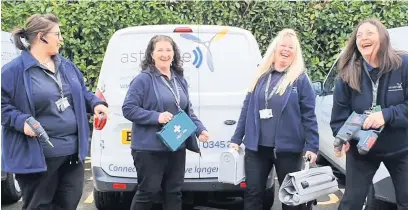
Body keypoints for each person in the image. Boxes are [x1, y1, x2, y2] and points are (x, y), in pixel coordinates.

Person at [1, 14, 109, 210]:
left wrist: (96, 104)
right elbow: (2, 106)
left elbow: (82, 92)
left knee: (68, 204)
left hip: (72, 155)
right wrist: (20, 121)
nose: (61, 39)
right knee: (39, 206)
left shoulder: (66, 65)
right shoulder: (13, 71)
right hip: (38, 158)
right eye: (57, 34)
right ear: (41, 36)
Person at [230, 28, 319, 210]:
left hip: (289, 149)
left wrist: (312, 146)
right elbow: (246, 108)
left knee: (291, 199)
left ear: (296, 53)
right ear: (275, 48)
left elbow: (309, 115)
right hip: (257, 149)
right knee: (253, 194)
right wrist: (236, 139)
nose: (286, 50)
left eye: (291, 47)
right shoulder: (261, 75)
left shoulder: (300, 79)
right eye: (283, 45)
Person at [122, 35, 210, 210]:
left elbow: (187, 110)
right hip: (149, 149)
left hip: (176, 145)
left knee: (174, 192)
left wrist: (200, 130)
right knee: (148, 192)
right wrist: (156, 117)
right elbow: (128, 108)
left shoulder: (179, 80)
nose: (165, 54)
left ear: (174, 54)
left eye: (168, 50)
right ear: (152, 54)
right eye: (160, 50)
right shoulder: (143, 79)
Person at [330, 18, 408, 210]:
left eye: (369, 33)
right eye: (359, 35)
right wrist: (342, 139)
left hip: (401, 148)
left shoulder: (403, 64)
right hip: (362, 150)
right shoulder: (348, 72)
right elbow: (339, 116)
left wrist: (387, 115)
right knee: (351, 202)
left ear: (382, 37)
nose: (363, 38)